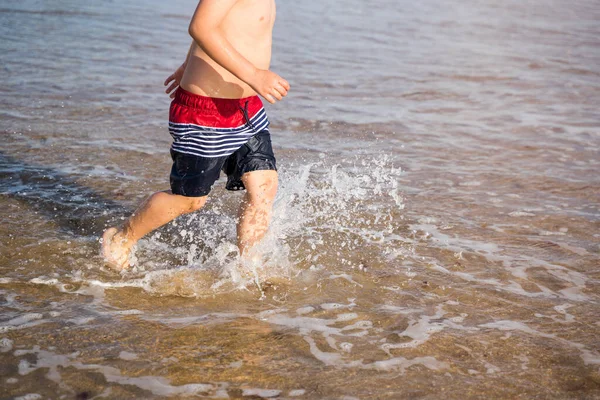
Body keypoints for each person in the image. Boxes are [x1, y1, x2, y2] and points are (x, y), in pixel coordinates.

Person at [101, 0, 290, 271]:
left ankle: (249, 267)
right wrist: (255, 75)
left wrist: (188, 63)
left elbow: (227, 25)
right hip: (206, 113)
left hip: (246, 107)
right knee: (190, 200)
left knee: (263, 187)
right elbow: (201, 26)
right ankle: (122, 237)